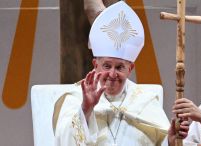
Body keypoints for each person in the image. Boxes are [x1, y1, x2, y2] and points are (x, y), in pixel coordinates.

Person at [53, 1, 189, 146]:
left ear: (130, 69)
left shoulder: (145, 101)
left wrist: (170, 141)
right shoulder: (76, 97)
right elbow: (63, 138)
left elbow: (159, 142)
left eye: (119, 67)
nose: (112, 74)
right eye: (106, 66)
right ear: (95, 65)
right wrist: (86, 109)